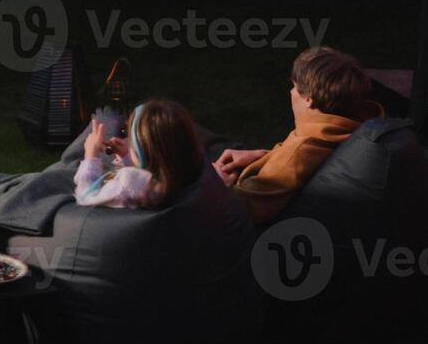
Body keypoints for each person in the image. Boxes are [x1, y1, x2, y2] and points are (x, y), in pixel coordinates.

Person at [212, 46, 383, 226]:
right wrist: (265, 156)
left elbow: (239, 216)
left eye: (294, 86)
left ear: (309, 99)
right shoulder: (344, 129)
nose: (291, 92)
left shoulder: (301, 150)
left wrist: (215, 185)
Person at [74, 99, 206, 209]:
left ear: (143, 154)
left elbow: (86, 197)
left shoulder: (129, 184)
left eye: (131, 139)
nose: (128, 141)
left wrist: (90, 155)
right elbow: (153, 169)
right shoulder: (184, 174)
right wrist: (127, 156)